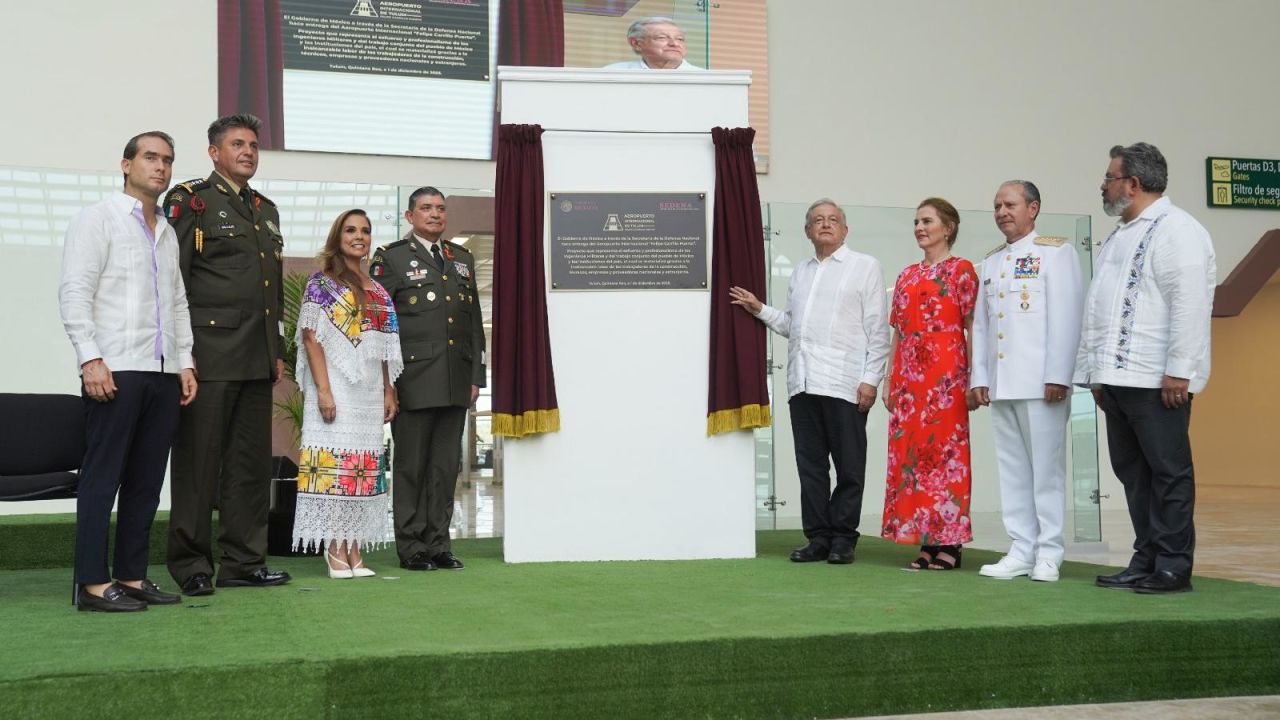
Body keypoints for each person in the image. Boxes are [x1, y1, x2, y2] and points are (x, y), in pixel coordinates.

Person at [58, 131, 198, 612]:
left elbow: (178, 302)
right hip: (114, 367)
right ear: (126, 164)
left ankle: (133, 577)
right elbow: (75, 292)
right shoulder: (96, 219)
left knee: (145, 480)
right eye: (150, 158)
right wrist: (89, 357)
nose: (161, 167)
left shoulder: (168, 230)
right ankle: (93, 585)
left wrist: (186, 362)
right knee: (102, 478)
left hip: (161, 372)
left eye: (168, 160)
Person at [1076, 143, 1216, 594]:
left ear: (1133, 184)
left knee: (1168, 473)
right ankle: (1146, 558)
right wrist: (1093, 372)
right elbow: (1097, 309)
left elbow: (1190, 305)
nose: (1103, 184)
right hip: (1116, 381)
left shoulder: (1179, 231)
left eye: (1109, 177)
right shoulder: (1119, 234)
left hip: (1157, 381)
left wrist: (1181, 370)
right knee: (1133, 474)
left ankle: (1174, 566)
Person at [163, 113, 291, 595]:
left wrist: (275, 349)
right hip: (209, 356)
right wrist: (182, 355)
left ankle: (243, 562)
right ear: (214, 152)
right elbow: (174, 280)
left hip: (257, 358)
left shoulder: (266, 209)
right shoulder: (191, 200)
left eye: (254, 145)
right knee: (199, 466)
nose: (248, 151)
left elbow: (271, 291)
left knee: (249, 466)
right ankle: (192, 564)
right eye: (238, 144)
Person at [730, 198, 890, 565]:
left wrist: (871, 379)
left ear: (845, 229)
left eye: (833, 219)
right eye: (818, 220)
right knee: (811, 467)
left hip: (846, 382)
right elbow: (793, 325)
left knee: (849, 466)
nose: (825, 224)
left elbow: (878, 331)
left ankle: (843, 539)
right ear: (807, 231)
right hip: (802, 383)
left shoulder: (865, 267)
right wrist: (760, 309)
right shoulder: (801, 272)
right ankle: (818, 537)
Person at [969, 181, 1083, 583]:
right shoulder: (992, 261)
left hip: (1040, 383)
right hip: (1003, 384)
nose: (1002, 211)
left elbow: (1067, 317)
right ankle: (1021, 548)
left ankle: (1049, 552)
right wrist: (980, 377)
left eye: (1010, 204)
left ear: (1033, 208)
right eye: (997, 205)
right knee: (1013, 470)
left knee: (1046, 472)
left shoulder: (1056, 252)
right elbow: (982, 326)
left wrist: (1058, 375)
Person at [370, 187, 486, 572]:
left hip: (455, 380)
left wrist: (475, 377)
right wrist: (386, 383)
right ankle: (412, 546)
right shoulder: (392, 259)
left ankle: (438, 544)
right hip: (414, 380)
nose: (435, 214)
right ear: (409, 216)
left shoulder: (462, 258)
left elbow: (473, 326)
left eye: (440, 208)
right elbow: (380, 324)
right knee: (411, 467)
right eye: (426, 208)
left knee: (444, 467)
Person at [292, 209, 402, 578]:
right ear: (338, 237)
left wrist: (389, 389)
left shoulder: (380, 291)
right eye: (351, 230)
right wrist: (323, 391)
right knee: (336, 465)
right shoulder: (321, 284)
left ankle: (354, 547)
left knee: (361, 468)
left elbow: (384, 349)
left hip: (369, 390)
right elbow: (311, 337)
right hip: (335, 385)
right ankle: (334, 547)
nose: (359, 236)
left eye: (366, 231)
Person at [880, 198, 979, 571]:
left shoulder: (962, 271)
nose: (920, 228)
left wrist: (975, 378)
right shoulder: (905, 276)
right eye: (917, 222)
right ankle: (925, 539)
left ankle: (949, 542)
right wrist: (890, 380)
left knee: (946, 459)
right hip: (908, 383)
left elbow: (973, 328)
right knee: (912, 461)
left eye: (928, 221)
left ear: (948, 228)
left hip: (947, 381)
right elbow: (898, 334)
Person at [604, 16, 703, 70]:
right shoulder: (613, 73)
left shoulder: (706, 78)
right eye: (662, 37)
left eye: (680, 39)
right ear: (636, 43)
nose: (674, 44)